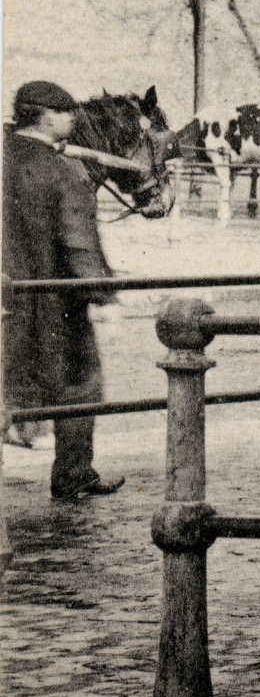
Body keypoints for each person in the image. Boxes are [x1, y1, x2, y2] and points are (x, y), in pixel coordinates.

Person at [3, 81, 125, 496]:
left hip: (7, 299)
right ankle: (73, 474)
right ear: (46, 116)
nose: (74, 119)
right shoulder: (61, 171)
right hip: (54, 305)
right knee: (79, 383)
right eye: (67, 112)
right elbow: (78, 242)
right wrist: (103, 296)